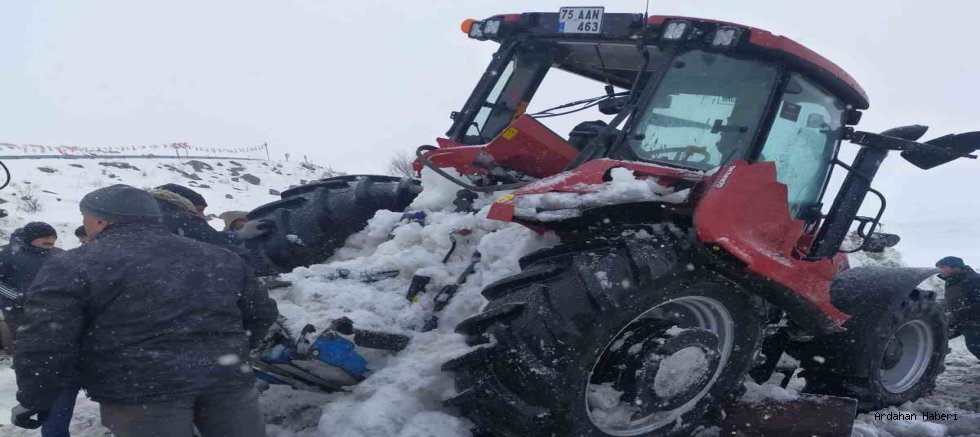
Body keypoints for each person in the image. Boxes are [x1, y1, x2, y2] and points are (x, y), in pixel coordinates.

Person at [11, 184, 278, 437]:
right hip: (228, 384)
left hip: (140, 393)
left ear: (101, 221)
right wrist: (230, 352)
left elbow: (45, 340)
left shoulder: (73, 265)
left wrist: (36, 398)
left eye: (85, 217)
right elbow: (261, 313)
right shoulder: (219, 257)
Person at [0, 223, 72, 436]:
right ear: (31, 238)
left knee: (54, 360)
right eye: (45, 238)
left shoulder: (59, 255)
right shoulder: (7, 254)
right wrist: (19, 298)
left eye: (53, 237)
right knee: (29, 356)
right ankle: (31, 397)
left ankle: (47, 399)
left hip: (58, 317)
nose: (50, 241)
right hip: (22, 316)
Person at [937, 256, 980, 359]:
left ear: (955, 267)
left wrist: (958, 313)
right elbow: (955, 300)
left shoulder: (974, 280)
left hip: (975, 321)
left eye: (943, 267)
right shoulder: (952, 281)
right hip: (962, 319)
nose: (940, 270)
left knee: (975, 345)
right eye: (939, 267)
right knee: (936, 334)